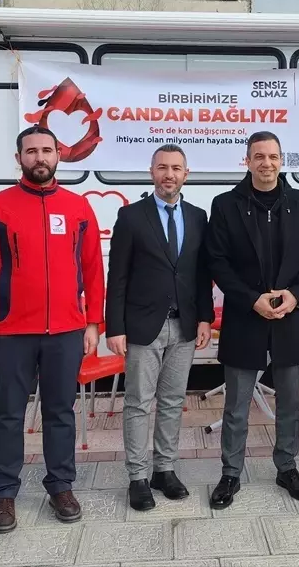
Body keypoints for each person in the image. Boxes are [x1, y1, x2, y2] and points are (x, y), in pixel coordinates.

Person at [0, 125, 105, 532]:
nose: (40, 158)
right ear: (19, 159)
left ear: (58, 156)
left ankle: (61, 485)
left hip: (66, 330)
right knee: (8, 414)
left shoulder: (78, 207)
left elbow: (92, 269)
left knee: (60, 412)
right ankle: (3, 494)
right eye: (31, 151)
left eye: (46, 150)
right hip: (11, 331)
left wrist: (93, 322)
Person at [205, 131, 299, 510]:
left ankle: (287, 467)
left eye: (273, 156)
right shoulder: (225, 205)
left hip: (289, 315)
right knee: (236, 403)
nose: (267, 163)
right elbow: (217, 262)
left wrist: (296, 295)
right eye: (259, 156)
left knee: (290, 401)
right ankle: (230, 473)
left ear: (281, 160)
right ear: (247, 161)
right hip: (246, 315)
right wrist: (251, 299)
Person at [105, 145, 215, 511]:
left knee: (172, 402)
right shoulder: (132, 216)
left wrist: (204, 318)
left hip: (183, 326)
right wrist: (115, 327)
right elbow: (117, 276)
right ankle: (137, 476)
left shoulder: (198, 217)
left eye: (176, 168)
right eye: (162, 168)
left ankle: (164, 470)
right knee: (138, 403)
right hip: (142, 327)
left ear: (187, 174)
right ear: (151, 172)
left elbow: (201, 273)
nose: (169, 174)